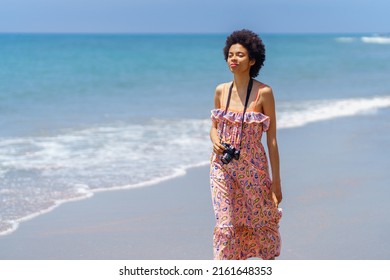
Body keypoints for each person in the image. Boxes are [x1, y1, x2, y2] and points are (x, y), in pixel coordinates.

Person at [209, 29, 282, 260]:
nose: (233, 59)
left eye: (240, 55)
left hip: (253, 168)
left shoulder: (264, 93)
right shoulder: (221, 90)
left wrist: (276, 182)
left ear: (252, 60)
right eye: (230, 54)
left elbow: (271, 140)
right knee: (226, 224)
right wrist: (214, 139)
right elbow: (213, 125)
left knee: (260, 221)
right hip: (222, 167)